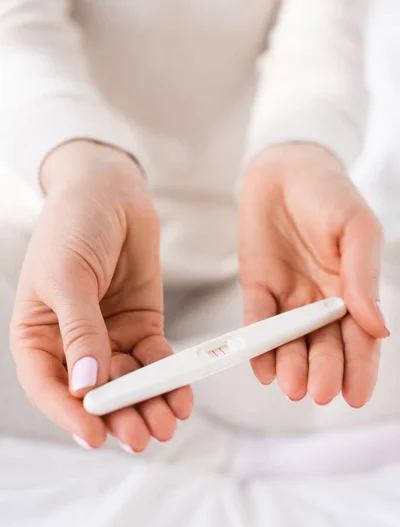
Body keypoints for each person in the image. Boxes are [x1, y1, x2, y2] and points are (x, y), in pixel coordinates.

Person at [0, 0, 389, 455]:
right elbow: (16, 33)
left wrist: (302, 151)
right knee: (37, 355)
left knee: (370, 348)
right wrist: (82, 167)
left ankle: (183, 440)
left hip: (256, 260)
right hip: (59, 236)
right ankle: (204, 437)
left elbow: (321, 46)